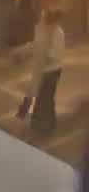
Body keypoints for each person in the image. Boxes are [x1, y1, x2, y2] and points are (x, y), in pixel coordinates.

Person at [25, 7, 66, 136]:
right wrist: (24, 50)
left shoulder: (57, 33)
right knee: (43, 97)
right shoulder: (43, 29)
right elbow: (36, 44)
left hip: (52, 70)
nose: (42, 18)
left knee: (46, 97)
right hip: (43, 70)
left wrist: (43, 54)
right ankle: (40, 124)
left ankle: (46, 125)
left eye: (44, 16)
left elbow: (54, 55)